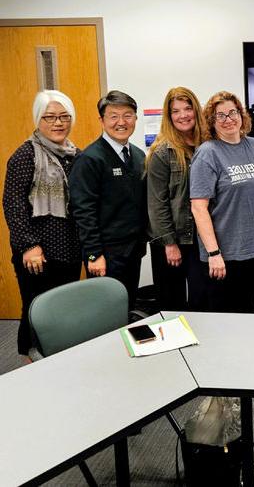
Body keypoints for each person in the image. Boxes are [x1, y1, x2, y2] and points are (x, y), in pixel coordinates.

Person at [3, 90, 82, 360]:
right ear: (38, 119)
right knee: (36, 309)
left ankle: (57, 360)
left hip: (70, 248)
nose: (58, 123)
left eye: (64, 116)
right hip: (37, 253)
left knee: (63, 308)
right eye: (50, 117)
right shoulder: (25, 155)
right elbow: (12, 204)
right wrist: (28, 246)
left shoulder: (75, 154)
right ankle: (30, 361)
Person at [190, 91, 254, 312]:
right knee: (224, 318)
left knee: (246, 310)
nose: (228, 119)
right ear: (211, 122)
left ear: (242, 115)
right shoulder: (207, 154)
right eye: (219, 116)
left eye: (233, 112)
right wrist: (213, 253)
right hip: (224, 255)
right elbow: (198, 207)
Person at [69, 90, 147, 309]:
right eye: (113, 116)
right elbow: (83, 211)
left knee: (127, 304)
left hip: (132, 251)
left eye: (128, 115)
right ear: (102, 120)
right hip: (106, 254)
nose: (121, 122)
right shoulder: (90, 159)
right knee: (105, 311)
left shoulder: (139, 156)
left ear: (135, 119)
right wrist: (94, 254)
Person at [145, 87, 208, 311]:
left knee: (203, 299)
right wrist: (169, 244)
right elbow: (156, 203)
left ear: (196, 110)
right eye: (175, 111)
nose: (183, 115)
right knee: (172, 303)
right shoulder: (162, 152)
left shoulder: (208, 146)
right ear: (169, 116)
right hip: (171, 240)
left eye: (188, 108)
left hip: (201, 238)